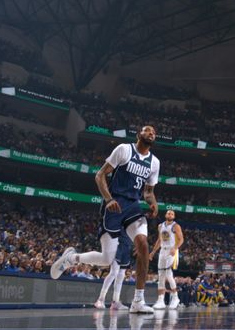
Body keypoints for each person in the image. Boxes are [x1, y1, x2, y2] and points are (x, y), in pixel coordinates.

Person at [50, 125, 160, 314]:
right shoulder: (124, 149)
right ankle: (71, 258)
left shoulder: (155, 162)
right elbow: (100, 175)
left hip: (134, 206)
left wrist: (153, 203)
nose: (151, 133)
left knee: (143, 244)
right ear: (139, 134)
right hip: (115, 204)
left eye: (154, 132)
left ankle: (138, 301)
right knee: (107, 258)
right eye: (147, 130)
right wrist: (108, 199)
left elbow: (148, 191)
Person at [149, 209, 184, 309]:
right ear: (165, 215)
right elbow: (159, 240)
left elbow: (181, 239)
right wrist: (153, 252)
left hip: (172, 250)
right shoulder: (160, 226)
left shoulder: (176, 226)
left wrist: (175, 248)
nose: (170, 214)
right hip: (162, 250)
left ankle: (176, 297)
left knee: (168, 273)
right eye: (169, 213)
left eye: (172, 214)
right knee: (161, 275)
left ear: (174, 216)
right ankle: (160, 300)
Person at [94, 233, 132, 310]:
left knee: (121, 275)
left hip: (127, 245)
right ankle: (100, 299)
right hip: (118, 244)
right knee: (114, 272)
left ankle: (115, 301)